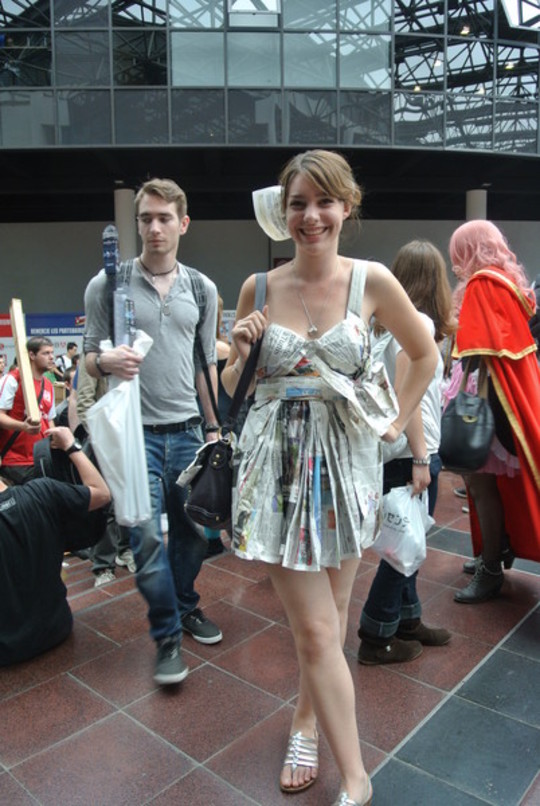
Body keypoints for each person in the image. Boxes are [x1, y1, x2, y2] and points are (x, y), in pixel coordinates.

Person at [221, 150, 438, 806]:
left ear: (347, 206)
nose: (310, 215)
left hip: (347, 469)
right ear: (281, 213)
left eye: (324, 201)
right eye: (297, 203)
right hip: (278, 470)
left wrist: (397, 421)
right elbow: (232, 391)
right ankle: (357, 778)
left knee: (335, 619)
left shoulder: (370, 282)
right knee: (316, 631)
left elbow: (424, 353)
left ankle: (307, 721)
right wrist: (239, 350)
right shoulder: (258, 289)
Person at [83, 177, 223, 686]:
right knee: (142, 536)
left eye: (165, 218)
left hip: (188, 431)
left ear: (183, 224)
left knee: (192, 535)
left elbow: (205, 364)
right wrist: (105, 359)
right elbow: (87, 358)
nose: (155, 227)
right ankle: (166, 636)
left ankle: (185, 604)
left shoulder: (202, 289)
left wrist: (213, 430)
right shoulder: (108, 283)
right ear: (137, 222)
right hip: (133, 434)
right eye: (146, 218)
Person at [357, 240, 455, 665]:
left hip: (396, 452)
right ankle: (376, 635)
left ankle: (408, 619)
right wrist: (420, 457)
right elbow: (405, 398)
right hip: (409, 453)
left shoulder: (390, 324)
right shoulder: (414, 323)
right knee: (401, 549)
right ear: (435, 281)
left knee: (408, 542)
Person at [449, 220, 540, 603]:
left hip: (487, 399)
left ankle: (490, 569)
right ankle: (494, 550)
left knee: (481, 487)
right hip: (500, 398)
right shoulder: (504, 280)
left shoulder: (484, 283)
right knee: (489, 486)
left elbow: (478, 349)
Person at [0, 425, 111, 666]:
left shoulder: (44, 492)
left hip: (6, 650)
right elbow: (102, 493)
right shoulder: (43, 492)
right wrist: (71, 446)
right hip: (56, 629)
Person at [75, 356, 135, 586]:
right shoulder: (95, 357)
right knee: (106, 503)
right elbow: (84, 402)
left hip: (131, 438)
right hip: (105, 441)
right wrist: (102, 437)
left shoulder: (134, 351)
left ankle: (125, 549)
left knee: (128, 499)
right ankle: (102, 566)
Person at [0, 336, 56, 484]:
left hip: (42, 459)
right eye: (46, 353)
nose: (51, 357)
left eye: (52, 352)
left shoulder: (49, 384)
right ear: (32, 355)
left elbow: (49, 420)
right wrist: (23, 427)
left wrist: (55, 439)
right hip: (16, 462)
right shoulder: (13, 379)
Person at [203, 293, 231, 557]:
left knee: (209, 481)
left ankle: (212, 539)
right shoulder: (228, 349)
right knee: (225, 480)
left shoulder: (204, 349)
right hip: (230, 422)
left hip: (207, 422)